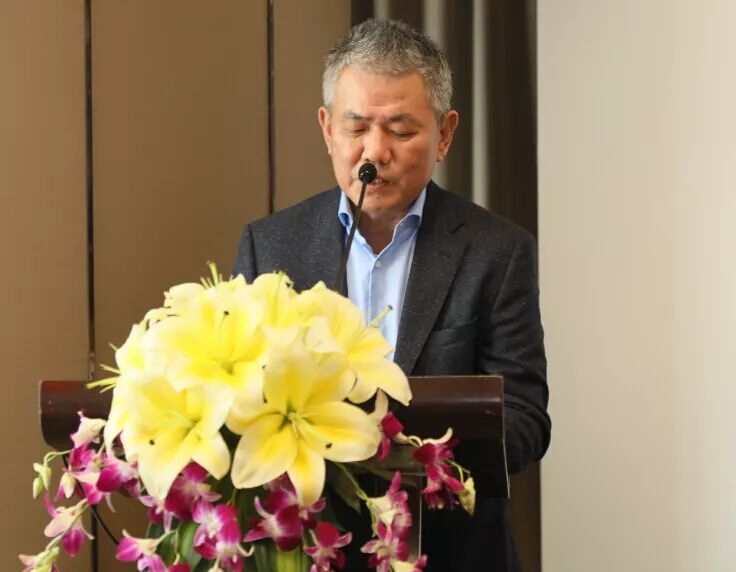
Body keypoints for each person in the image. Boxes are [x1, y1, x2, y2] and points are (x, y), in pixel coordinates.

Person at [233, 18, 550, 572]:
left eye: (400, 131)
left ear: (445, 134)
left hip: (453, 553)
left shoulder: (497, 251)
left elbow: (525, 421)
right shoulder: (271, 245)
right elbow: (239, 402)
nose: (374, 152)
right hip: (311, 549)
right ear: (327, 128)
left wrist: (399, 449)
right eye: (356, 128)